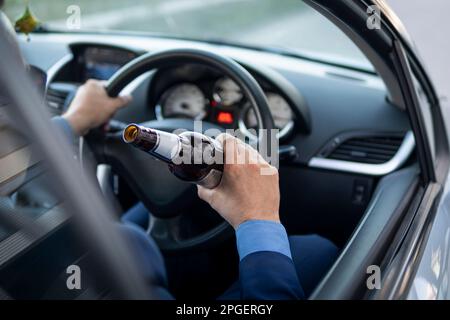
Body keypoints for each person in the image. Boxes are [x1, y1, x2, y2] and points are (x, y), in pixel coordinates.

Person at [54, 80, 339, 299]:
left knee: (159, 210)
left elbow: (11, 161)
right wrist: (258, 218)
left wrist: (72, 121)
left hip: (89, 263)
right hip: (118, 274)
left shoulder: (16, 214)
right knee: (316, 249)